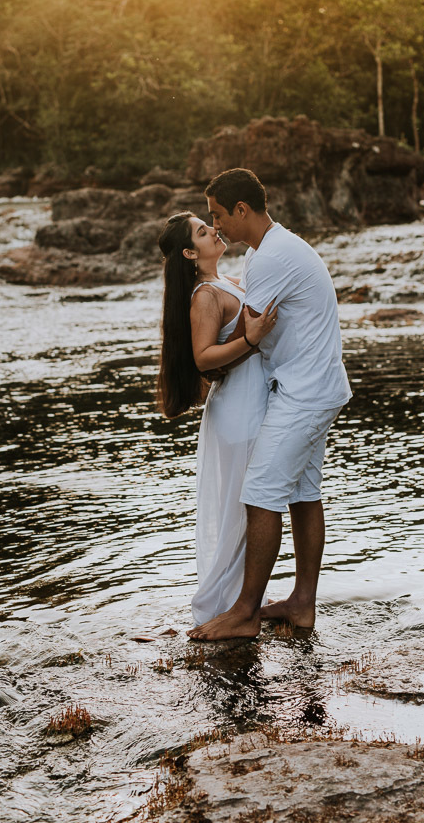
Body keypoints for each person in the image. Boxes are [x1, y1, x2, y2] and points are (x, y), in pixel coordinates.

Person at [187, 168, 351, 641]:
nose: (216, 226)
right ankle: (302, 604)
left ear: (242, 210)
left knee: (260, 493)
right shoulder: (270, 249)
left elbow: (247, 334)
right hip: (315, 385)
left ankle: (245, 612)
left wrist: (206, 368)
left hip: (304, 392)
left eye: (219, 215)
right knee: (302, 492)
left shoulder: (269, 258)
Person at [157, 212, 278, 624]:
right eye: (203, 231)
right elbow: (204, 358)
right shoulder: (205, 295)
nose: (214, 230)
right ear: (190, 253)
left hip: (250, 404)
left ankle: (241, 601)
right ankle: (220, 607)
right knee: (240, 514)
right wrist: (251, 339)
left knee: (249, 511)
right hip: (237, 413)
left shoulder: (228, 281)